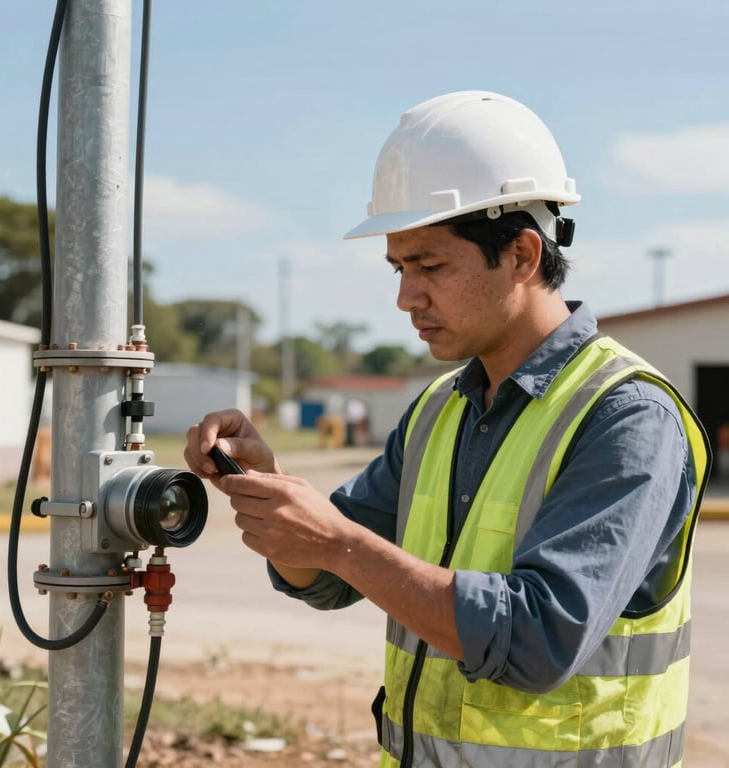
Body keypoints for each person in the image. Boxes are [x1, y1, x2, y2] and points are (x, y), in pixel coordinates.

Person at [184, 91, 711, 767]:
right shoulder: (440, 409)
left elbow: (537, 639)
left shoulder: (628, 417)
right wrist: (271, 491)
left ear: (522, 256)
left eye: (430, 266)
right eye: (399, 268)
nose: (406, 297)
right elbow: (324, 576)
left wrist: (337, 543)